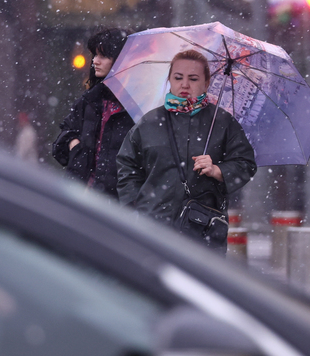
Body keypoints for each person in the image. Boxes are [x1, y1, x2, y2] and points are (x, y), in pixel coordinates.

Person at [116, 49, 257, 253]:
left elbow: (246, 164)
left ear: (206, 83)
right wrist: (136, 207)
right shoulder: (149, 123)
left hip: (202, 231)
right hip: (153, 230)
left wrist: (218, 170)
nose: (184, 84)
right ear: (170, 80)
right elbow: (127, 166)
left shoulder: (223, 123)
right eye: (178, 77)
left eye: (193, 78)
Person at [52, 27, 134, 199]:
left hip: (117, 202)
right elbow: (61, 141)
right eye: (95, 55)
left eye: (103, 56)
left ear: (120, 60)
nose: (95, 61)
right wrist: (74, 145)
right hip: (79, 195)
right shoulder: (91, 100)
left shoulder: (136, 108)